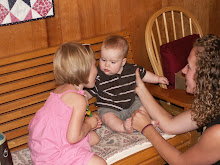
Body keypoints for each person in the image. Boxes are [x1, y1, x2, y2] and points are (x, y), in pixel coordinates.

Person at [132, 34, 220, 165]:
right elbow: (170, 124)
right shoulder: (213, 102)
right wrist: (140, 88)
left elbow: (181, 162)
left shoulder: (217, 133)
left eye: (189, 67)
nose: (183, 71)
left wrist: (147, 128)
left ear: (205, 77)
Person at [28, 42, 107, 165]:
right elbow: (73, 137)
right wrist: (88, 124)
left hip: (43, 149)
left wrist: (88, 124)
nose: (96, 70)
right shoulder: (79, 100)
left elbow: (64, 124)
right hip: (54, 155)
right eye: (94, 65)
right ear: (84, 69)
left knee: (94, 138)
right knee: (100, 163)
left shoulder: (59, 90)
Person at [85, 35, 168, 134]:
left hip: (131, 103)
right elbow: (90, 90)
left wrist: (157, 79)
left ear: (123, 62)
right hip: (110, 108)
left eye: (112, 62)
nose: (107, 64)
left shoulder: (131, 70)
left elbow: (144, 74)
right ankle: (123, 127)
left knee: (143, 107)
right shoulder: (98, 75)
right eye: (103, 60)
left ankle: (147, 122)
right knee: (107, 117)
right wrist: (84, 97)